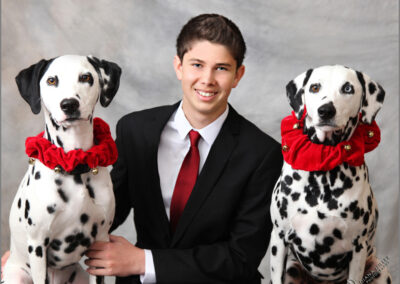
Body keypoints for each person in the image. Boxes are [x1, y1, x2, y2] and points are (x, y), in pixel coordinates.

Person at [2, 13, 283, 283]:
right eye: (197, 64)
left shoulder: (262, 154)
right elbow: (102, 211)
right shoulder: (136, 131)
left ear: (238, 75)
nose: (207, 79)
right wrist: (25, 251)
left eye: (221, 68)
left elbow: (242, 257)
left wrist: (142, 262)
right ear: (178, 66)